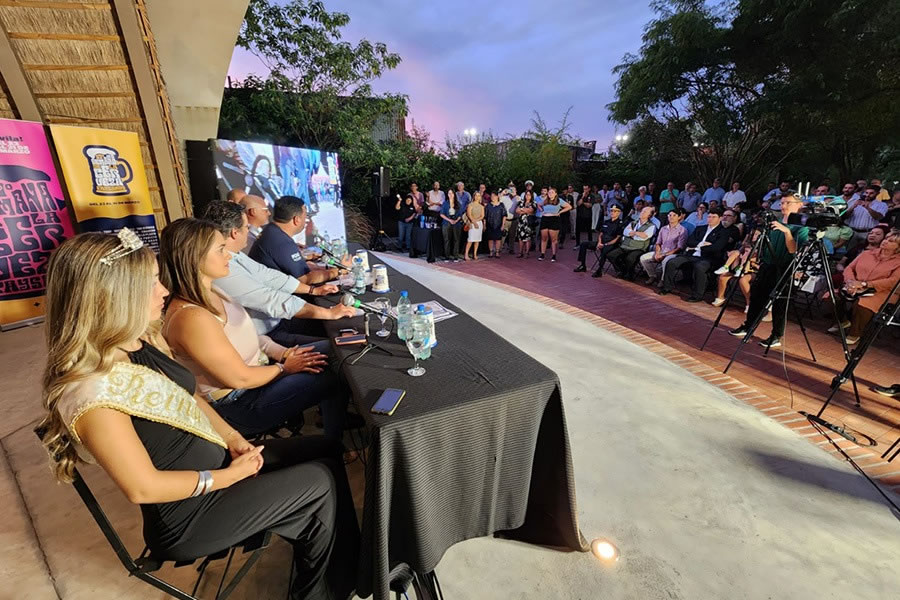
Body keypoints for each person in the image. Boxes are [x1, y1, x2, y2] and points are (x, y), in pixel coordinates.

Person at [37, 231, 359, 600]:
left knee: (324, 451)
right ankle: (324, 590)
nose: (163, 291)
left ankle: (345, 574)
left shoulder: (136, 343)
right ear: (111, 297)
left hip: (220, 464)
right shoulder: (91, 392)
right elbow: (142, 487)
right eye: (150, 283)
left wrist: (234, 439)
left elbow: (192, 399)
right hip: (191, 515)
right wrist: (228, 476)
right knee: (318, 482)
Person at [160, 219, 350, 440]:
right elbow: (240, 379)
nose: (228, 256)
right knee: (337, 374)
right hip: (240, 402)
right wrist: (284, 367)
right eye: (220, 250)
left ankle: (332, 432)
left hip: (262, 374)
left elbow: (251, 335)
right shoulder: (191, 317)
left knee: (337, 351)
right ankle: (334, 444)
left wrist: (283, 353)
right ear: (194, 256)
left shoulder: (215, 290)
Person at [202, 201, 354, 347]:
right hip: (266, 336)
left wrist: (313, 290)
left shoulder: (234, 254)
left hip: (277, 321)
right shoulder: (222, 268)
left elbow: (267, 275)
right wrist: (328, 313)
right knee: (337, 348)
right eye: (247, 227)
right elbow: (271, 299)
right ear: (235, 233)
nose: (249, 231)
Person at [729, 193, 810, 348]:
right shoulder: (775, 223)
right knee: (757, 297)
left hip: (785, 268)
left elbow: (793, 250)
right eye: (782, 203)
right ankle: (748, 326)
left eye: (788, 202)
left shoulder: (802, 227)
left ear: (799, 205)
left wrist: (786, 232)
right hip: (767, 265)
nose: (783, 206)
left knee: (780, 303)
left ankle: (776, 335)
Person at [828, 231, 900, 344]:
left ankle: (855, 334)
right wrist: (851, 282)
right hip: (856, 285)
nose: (885, 241)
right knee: (831, 295)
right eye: (886, 239)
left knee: (863, 304)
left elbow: (893, 281)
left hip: (882, 291)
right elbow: (849, 268)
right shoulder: (867, 253)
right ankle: (843, 321)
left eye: (891, 241)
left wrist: (865, 285)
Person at [659, 207, 731, 302]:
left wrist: (698, 246)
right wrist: (702, 244)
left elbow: (717, 247)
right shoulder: (700, 228)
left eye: (713, 217)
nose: (710, 219)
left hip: (709, 258)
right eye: (709, 217)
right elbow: (689, 241)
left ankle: (697, 295)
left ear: (720, 218)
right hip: (692, 255)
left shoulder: (723, 231)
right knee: (672, 262)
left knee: (699, 267)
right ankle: (667, 287)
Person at [249, 195, 319, 279]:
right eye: (305, 217)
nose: (305, 221)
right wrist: (332, 272)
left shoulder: (271, 231)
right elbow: (304, 279)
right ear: (296, 220)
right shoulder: (282, 242)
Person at [605, 207, 658, 280]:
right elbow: (625, 232)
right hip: (625, 245)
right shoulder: (633, 222)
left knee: (629, 258)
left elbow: (644, 237)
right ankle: (621, 270)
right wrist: (637, 234)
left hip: (638, 248)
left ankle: (629, 274)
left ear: (649, 215)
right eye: (642, 211)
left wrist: (634, 233)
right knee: (610, 255)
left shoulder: (651, 226)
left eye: (645, 212)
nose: (642, 212)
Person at [639, 208, 688, 285]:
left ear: (679, 217)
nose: (671, 217)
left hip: (673, 254)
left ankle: (663, 280)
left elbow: (679, 247)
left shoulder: (682, 230)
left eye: (674, 215)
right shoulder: (663, 228)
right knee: (643, 258)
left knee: (666, 261)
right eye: (670, 215)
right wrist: (657, 253)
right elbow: (658, 243)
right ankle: (652, 276)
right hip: (661, 251)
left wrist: (664, 255)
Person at [574, 205, 625, 276]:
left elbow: (617, 238)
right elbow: (601, 234)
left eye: (615, 211)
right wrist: (599, 242)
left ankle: (599, 270)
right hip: (601, 242)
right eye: (611, 211)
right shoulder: (606, 222)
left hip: (611, 244)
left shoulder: (620, 224)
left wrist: (605, 244)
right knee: (583, 244)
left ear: (619, 213)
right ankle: (582, 265)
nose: (612, 212)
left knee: (604, 249)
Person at [538, 187, 571, 262]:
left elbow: (569, 207)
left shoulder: (559, 200)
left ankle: (554, 255)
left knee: (553, 239)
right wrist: (542, 211)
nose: (550, 194)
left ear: (555, 194)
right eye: (549, 192)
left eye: (552, 192)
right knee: (544, 238)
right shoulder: (545, 200)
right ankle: (542, 254)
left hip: (554, 219)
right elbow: (538, 205)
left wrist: (560, 212)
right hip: (545, 219)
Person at [440, 188, 463, 261]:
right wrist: (449, 220)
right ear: (447, 194)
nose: (450, 195)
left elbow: (460, 214)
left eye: (452, 193)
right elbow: (441, 214)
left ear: (454, 194)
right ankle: (447, 256)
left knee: (456, 240)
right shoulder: (445, 203)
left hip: (456, 223)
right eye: (449, 193)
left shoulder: (458, 203)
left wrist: (456, 220)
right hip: (446, 223)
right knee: (447, 240)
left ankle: (455, 256)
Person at [515, 190, 537, 258]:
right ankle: (520, 252)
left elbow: (531, 210)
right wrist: (525, 210)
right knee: (520, 238)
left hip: (528, 223)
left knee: (528, 238)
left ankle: (527, 252)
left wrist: (521, 210)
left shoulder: (533, 203)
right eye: (526, 194)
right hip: (521, 223)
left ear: (531, 196)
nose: (527, 196)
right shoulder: (521, 202)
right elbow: (517, 211)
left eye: (529, 195)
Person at [484, 191, 507, 258]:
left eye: (494, 196)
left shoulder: (501, 205)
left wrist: (503, 225)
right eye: (491, 196)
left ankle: (497, 252)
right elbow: (485, 216)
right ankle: (491, 252)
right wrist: (484, 225)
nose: (492, 197)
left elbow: (504, 215)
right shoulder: (488, 205)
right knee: (490, 239)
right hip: (489, 224)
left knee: (498, 239)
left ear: (497, 196)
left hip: (498, 224)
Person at [464, 192, 485, 261]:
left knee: (477, 240)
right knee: (470, 239)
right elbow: (469, 214)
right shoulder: (470, 205)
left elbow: (482, 216)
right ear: (474, 196)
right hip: (471, 223)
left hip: (479, 223)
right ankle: (466, 254)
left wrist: (476, 221)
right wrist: (473, 221)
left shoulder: (481, 206)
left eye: (479, 196)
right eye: (476, 195)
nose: (477, 197)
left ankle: (475, 254)